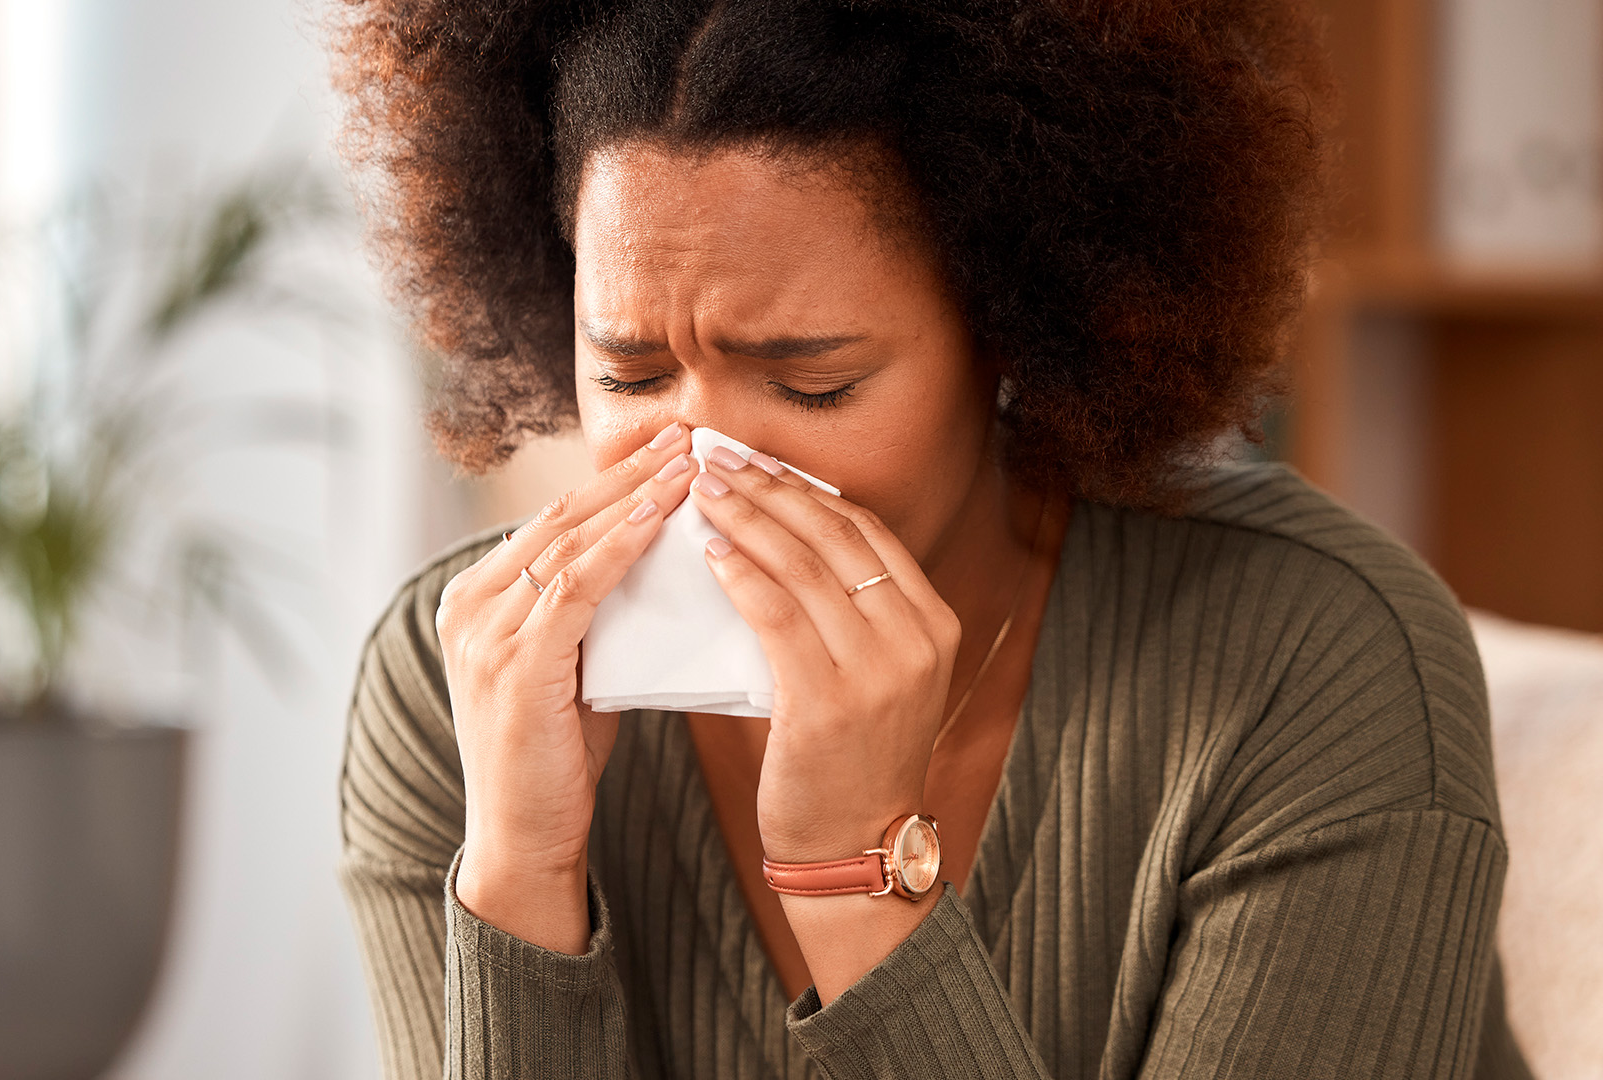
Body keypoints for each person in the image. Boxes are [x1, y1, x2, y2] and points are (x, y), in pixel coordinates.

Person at [329, 1, 1532, 1076]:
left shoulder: (1314, 664)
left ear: (1009, 328)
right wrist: (522, 886)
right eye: (632, 374)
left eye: (813, 386)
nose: (702, 468)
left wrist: (857, 875)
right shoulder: (455, 690)